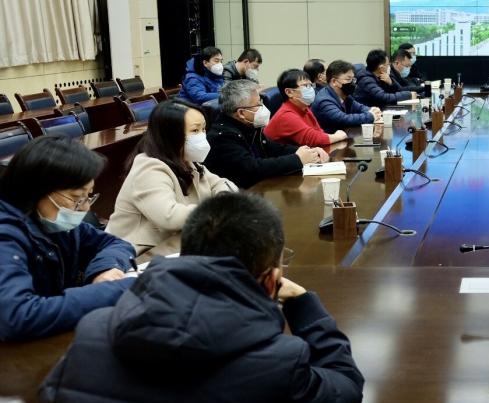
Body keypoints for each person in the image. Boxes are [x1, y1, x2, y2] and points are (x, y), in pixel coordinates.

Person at [39, 192, 364, 403]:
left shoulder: (94, 330)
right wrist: (304, 306)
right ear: (271, 281)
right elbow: (346, 390)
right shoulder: (279, 362)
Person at [0, 137, 135, 341]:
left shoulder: (54, 222)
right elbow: (17, 317)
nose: (85, 208)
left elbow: (115, 244)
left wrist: (104, 270)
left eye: (88, 196)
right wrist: (113, 291)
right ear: (37, 189)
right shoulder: (6, 235)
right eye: (76, 198)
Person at [106, 100, 237, 259]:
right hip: (137, 255)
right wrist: (217, 209)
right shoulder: (149, 168)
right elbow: (170, 216)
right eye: (195, 130)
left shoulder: (187, 160)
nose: (202, 136)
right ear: (171, 135)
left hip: (175, 244)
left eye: (203, 129)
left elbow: (221, 184)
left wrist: (223, 199)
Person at [205, 80, 327, 189]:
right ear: (241, 113)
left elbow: (273, 148)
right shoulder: (222, 137)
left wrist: (308, 152)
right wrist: (297, 159)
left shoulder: (249, 126)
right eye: (258, 104)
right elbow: (251, 169)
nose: (263, 107)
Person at [264, 69, 348, 148]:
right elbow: (313, 140)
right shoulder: (286, 115)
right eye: (306, 85)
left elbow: (318, 132)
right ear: (289, 92)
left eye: (311, 85)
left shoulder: (304, 107)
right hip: (280, 156)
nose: (311, 89)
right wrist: (338, 136)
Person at [312, 60, 382, 129]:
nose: (352, 83)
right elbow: (343, 119)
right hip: (331, 135)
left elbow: (359, 107)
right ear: (334, 81)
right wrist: (370, 116)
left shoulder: (345, 95)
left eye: (353, 79)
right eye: (348, 79)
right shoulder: (324, 100)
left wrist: (372, 110)